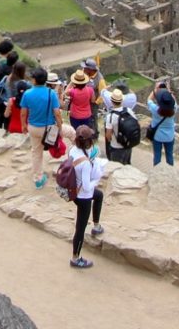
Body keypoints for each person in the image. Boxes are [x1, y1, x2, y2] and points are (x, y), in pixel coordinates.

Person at [68, 124, 105, 269]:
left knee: (99, 195)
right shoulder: (85, 163)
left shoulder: (72, 150)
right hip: (83, 196)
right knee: (80, 227)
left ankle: (96, 224)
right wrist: (98, 176)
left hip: (73, 189)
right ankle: (75, 258)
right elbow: (87, 185)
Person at [22, 67, 63, 188]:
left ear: (34, 80)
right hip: (49, 128)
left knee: (36, 152)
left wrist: (24, 125)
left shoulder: (27, 93)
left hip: (33, 127)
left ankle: (38, 179)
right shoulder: (51, 94)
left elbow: (23, 112)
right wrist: (60, 128)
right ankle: (84, 152)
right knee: (71, 132)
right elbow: (57, 113)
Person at [103, 85, 140, 165]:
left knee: (116, 167)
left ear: (112, 101)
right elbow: (136, 123)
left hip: (116, 146)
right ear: (122, 101)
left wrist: (112, 140)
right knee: (126, 164)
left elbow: (108, 135)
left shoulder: (111, 116)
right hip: (128, 145)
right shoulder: (129, 111)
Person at [148, 81, 177, 166]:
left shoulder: (155, 110)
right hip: (169, 136)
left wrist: (155, 90)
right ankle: (171, 171)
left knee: (157, 155)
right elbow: (173, 101)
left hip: (157, 136)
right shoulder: (174, 109)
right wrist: (168, 91)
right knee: (169, 156)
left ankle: (157, 172)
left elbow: (149, 100)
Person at [64, 69, 98, 135]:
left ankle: (77, 144)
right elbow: (93, 100)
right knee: (85, 133)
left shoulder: (72, 91)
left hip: (75, 116)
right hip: (87, 115)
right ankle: (85, 144)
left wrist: (71, 82)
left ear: (75, 81)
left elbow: (65, 92)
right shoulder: (90, 90)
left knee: (76, 133)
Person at [4, 61, 31, 134]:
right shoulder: (25, 84)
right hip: (24, 127)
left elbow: (6, 115)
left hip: (11, 105)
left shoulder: (8, 79)